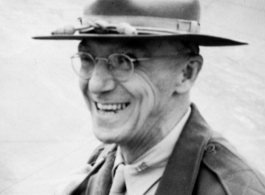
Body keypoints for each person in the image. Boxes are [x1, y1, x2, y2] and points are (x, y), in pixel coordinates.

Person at [34, 0, 265, 194]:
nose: (96, 84)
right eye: (87, 58)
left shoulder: (233, 189)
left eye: (124, 61)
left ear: (186, 73)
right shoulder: (105, 161)